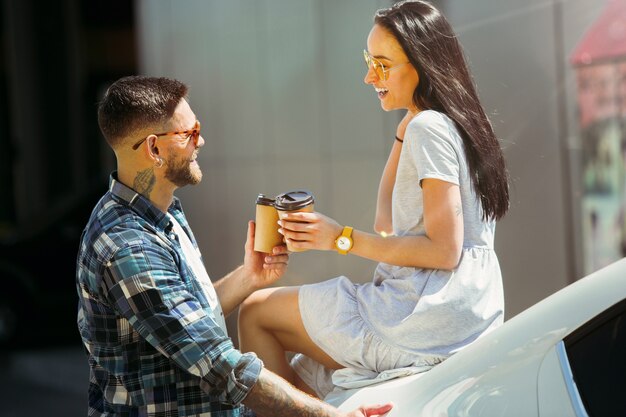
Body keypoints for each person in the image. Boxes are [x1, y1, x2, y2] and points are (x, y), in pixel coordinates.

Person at [75, 75, 393, 417]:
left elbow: (185, 317)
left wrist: (249, 277)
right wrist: (332, 416)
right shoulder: (129, 248)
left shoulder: (162, 214)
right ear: (154, 149)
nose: (202, 141)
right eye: (190, 133)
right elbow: (220, 366)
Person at [238, 0, 510, 399]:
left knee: (256, 312)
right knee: (306, 373)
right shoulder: (445, 125)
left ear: (421, 64)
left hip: (423, 319)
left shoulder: (430, 128)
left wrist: (338, 238)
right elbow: (386, 224)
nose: (369, 76)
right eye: (370, 60)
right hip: (459, 316)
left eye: (382, 64)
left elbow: (445, 251)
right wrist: (403, 131)